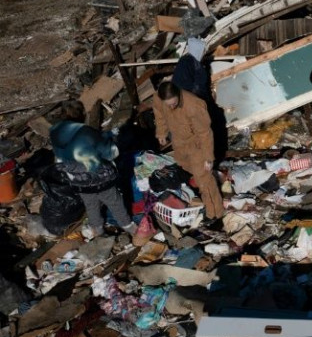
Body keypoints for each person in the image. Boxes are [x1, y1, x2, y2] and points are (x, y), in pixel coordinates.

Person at [49, 100, 137, 237]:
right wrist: (112, 140)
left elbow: (60, 156)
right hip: (99, 177)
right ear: (82, 114)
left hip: (76, 179)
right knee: (115, 201)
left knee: (91, 204)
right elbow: (110, 153)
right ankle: (128, 226)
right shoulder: (87, 132)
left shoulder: (55, 131)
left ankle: (97, 229)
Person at [153, 81, 224, 222]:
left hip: (196, 145)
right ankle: (203, 200)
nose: (172, 107)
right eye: (169, 105)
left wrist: (208, 157)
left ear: (178, 95)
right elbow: (159, 112)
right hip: (179, 143)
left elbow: (205, 133)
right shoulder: (158, 98)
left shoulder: (193, 105)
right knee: (189, 171)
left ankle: (215, 214)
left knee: (204, 180)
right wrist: (161, 132)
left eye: (174, 103)